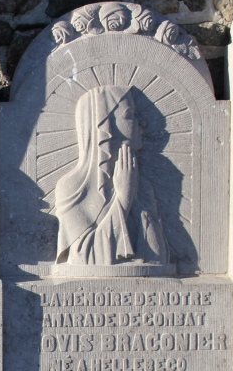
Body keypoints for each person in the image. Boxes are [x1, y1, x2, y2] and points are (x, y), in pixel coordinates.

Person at [55, 85, 169, 267]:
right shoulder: (72, 186)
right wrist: (124, 198)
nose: (141, 123)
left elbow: (158, 258)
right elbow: (84, 259)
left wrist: (135, 195)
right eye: (129, 115)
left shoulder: (142, 185)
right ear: (104, 125)